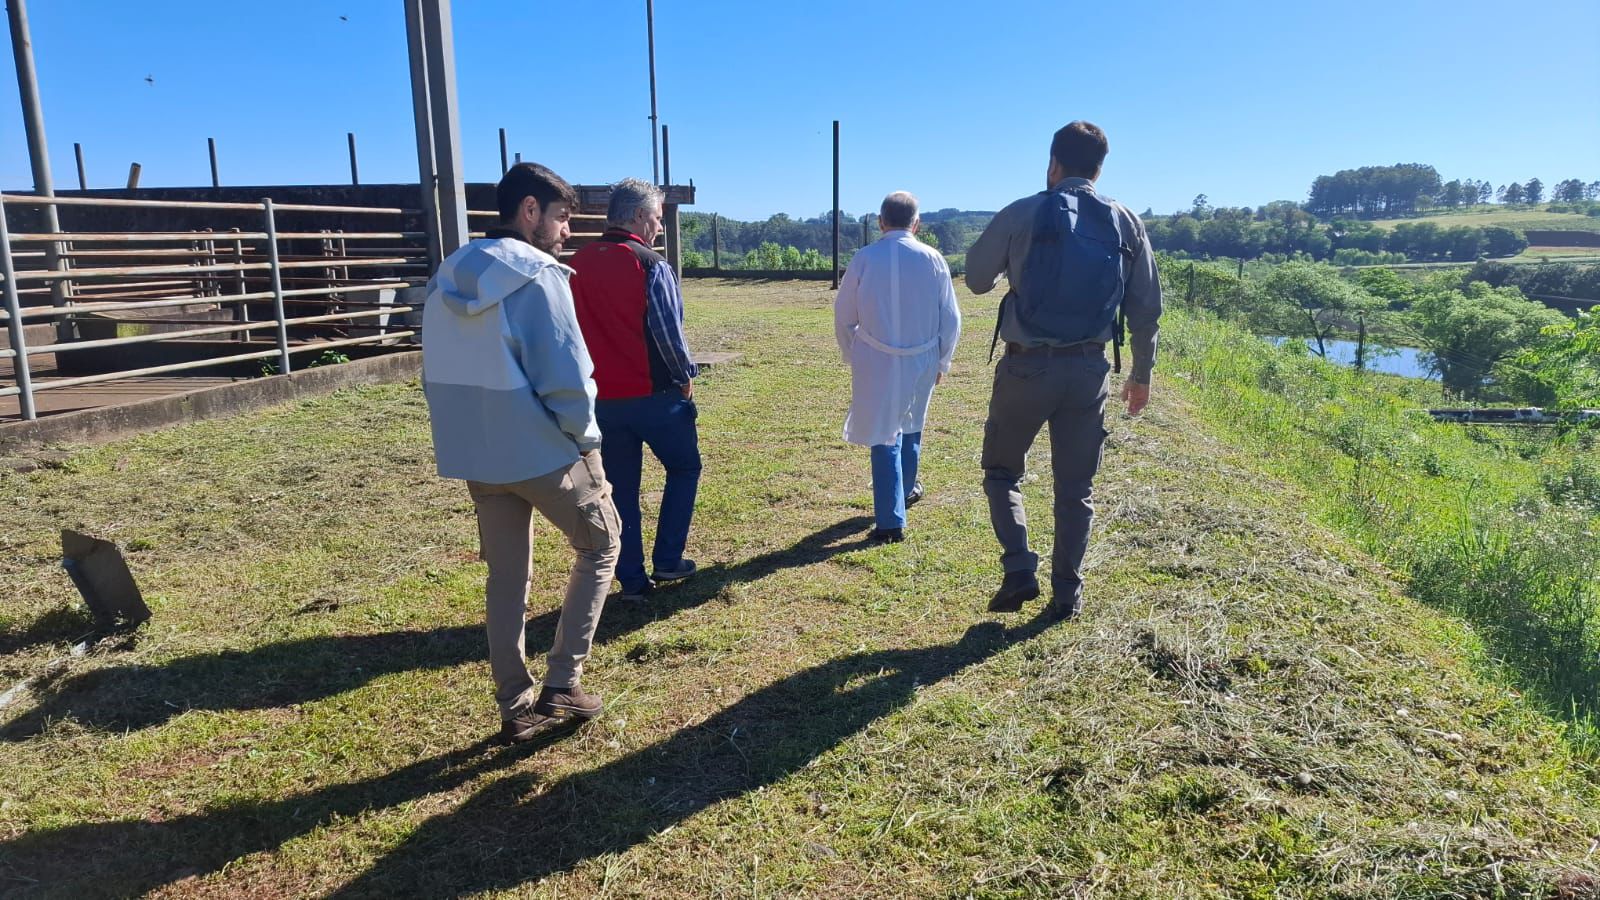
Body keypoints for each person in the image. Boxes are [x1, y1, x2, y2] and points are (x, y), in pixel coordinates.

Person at [420, 162, 621, 742]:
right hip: (540, 451)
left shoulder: (450, 272)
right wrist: (589, 445)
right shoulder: (537, 275)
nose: (566, 232)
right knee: (603, 542)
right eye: (561, 218)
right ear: (529, 210)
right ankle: (564, 679)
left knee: (507, 576)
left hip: (474, 451)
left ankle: (515, 703)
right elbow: (565, 373)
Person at [965, 121, 1163, 622]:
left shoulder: (1023, 211)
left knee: (1002, 471)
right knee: (1076, 490)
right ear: (1100, 168)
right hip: (1090, 371)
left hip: (1026, 369)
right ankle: (1066, 595)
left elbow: (978, 280)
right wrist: (1141, 374)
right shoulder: (1125, 221)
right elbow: (1146, 307)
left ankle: (1018, 565)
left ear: (1053, 163)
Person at [568, 178, 701, 600]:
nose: (660, 227)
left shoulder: (575, 264)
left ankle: (631, 578)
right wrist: (684, 377)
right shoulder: (649, 264)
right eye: (658, 218)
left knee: (620, 487)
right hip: (655, 397)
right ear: (641, 216)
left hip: (603, 399)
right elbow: (668, 334)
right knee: (684, 468)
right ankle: (667, 559)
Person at [834, 191, 962, 542]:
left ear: (881, 221)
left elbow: (844, 314)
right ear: (916, 224)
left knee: (883, 431)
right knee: (911, 422)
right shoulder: (934, 258)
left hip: (875, 356)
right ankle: (903, 492)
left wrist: (853, 353)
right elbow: (950, 317)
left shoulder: (865, 258)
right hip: (922, 356)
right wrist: (942, 360)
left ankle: (891, 519)